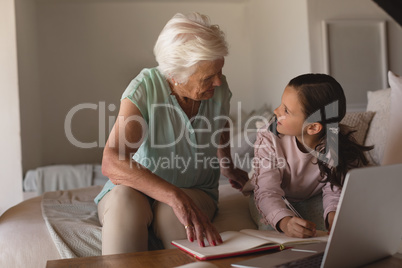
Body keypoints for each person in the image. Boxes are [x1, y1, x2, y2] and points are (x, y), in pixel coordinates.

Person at [94, 12, 249, 255]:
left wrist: (226, 164)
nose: (218, 82)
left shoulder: (218, 88)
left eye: (220, 71)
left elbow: (220, 124)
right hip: (139, 189)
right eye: (208, 77)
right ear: (174, 76)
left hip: (197, 189)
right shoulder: (145, 88)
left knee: (171, 216)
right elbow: (111, 161)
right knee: (125, 203)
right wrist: (173, 195)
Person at [250, 73, 373, 238]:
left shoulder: (336, 140)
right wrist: (285, 222)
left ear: (313, 128)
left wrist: (333, 215)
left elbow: (334, 188)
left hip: (312, 196)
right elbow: (267, 191)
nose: (276, 111)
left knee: (338, 227)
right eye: (281, 104)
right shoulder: (268, 137)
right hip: (268, 195)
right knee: (273, 233)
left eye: (286, 110)